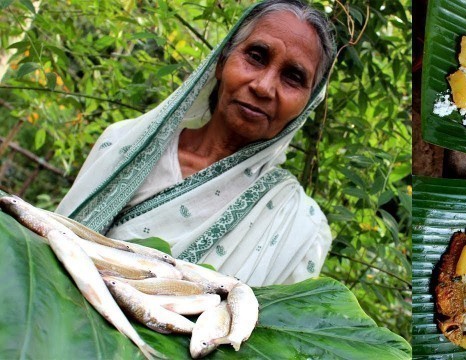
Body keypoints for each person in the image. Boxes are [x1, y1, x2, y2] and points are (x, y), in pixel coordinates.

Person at [56, 0, 336, 287]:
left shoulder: (301, 226)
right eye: (256, 56)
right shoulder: (121, 146)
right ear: (221, 61)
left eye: (293, 77)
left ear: (306, 105)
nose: (263, 87)